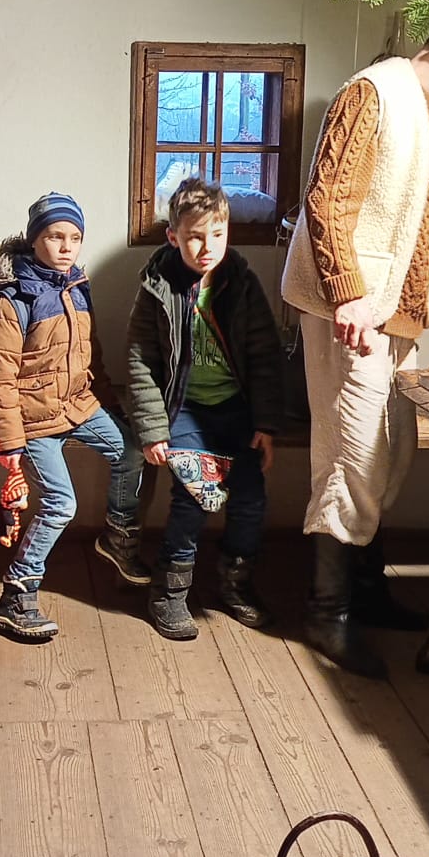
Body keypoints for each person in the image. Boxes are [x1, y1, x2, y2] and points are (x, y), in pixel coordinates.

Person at [280, 6, 429, 675]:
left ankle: (365, 589)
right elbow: (328, 202)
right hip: (352, 311)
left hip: (394, 315)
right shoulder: (372, 93)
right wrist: (346, 292)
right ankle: (327, 613)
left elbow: (423, 215)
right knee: (351, 457)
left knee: (391, 450)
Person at [0, 192, 142, 642]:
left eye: (75, 237)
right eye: (55, 236)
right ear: (34, 240)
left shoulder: (77, 287)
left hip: (78, 404)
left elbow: (92, 355)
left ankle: (117, 536)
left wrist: (108, 405)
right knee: (60, 503)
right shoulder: (12, 300)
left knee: (131, 451)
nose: (66, 246)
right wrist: (9, 445)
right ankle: (16, 595)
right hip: (32, 419)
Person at [125, 179, 284, 639]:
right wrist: (154, 429)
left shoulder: (242, 283)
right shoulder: (158, 288)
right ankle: (170, 591)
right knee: (194, 498)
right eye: (194, 236)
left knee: (250, 501)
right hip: (184, 410)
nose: (207, 246)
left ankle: (235, 583)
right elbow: (140, 361)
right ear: (173, 236)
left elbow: (265, 355)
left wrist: (266, 424)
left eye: (217, 234)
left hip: (237, 410)